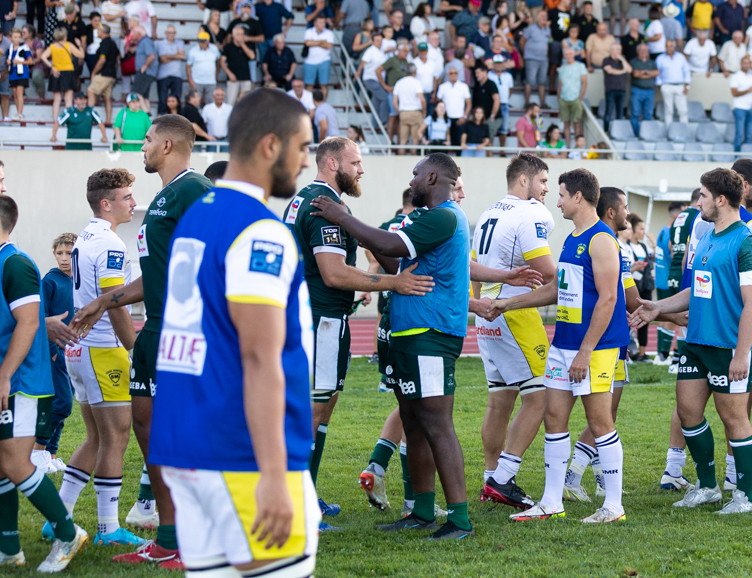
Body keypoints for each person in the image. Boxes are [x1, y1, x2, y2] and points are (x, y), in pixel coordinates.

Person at [143, 89, 321, 574]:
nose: (306, 161)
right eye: (303, 147)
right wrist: (272, 472)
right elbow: (259, 357)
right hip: (240, 450)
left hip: (186, 444)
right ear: (270, 145)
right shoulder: (260, 230)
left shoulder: (195, 215)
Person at [70, 116, 211, 566]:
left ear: (167, 145)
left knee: (178, 437)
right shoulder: (166, 196)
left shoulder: (194, 191)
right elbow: (155, 276)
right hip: (154, 331)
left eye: (147, 139)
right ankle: (168, 540)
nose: (143, 146)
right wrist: (105, 301)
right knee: (149, 431)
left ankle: (197, 537)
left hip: (183, 333)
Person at [310, 153, 475, 538]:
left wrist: (343, 218)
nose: (412, 179)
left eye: (416, 174)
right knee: (413, 424)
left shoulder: (445, 215)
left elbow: (390, 243)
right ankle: (420, 511)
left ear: (432, 176)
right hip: (408, 331)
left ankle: (460, 519)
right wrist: (354, 231)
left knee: (437, 423)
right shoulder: (424, 216)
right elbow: (394, 261)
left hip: (431, 333)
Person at [487, 168, 626, 524]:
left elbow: (609, 299)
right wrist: (508, 303)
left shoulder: (601, 240)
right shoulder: (571, 239)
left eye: (561, 194)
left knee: (599, 422)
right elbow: (555, 289)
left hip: (592, 349)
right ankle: (551, 501)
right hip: (563, 344)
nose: (557, 200)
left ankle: (613, 505)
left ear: (579, 197)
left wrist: (585, 351)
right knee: (553, 418)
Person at [628, 167, 752, 514]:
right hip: (697, 342)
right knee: (689, 412)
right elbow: (696, 289)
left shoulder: (747, 241)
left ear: (721, 199)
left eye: (703, 196)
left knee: (733, 417)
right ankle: (708, 487)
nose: (698, 202)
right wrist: (657, 307)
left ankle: (745, 497)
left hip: (728, 346)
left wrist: (741, 354)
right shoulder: (707, 236)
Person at [0, 197, 90, 570]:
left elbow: (29, 322)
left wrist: (4, 374)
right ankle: (9, 549)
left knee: (16, 463)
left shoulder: (15, 264)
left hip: (20, 383)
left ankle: (69, 535)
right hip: (10, 380)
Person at [59, 169, 146, 549]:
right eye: (127, 196)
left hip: (78, 349)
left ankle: (58, 518)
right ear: (106, 202)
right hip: (101, 349)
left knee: (96, 436)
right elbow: (114, 304)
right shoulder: (110, 243)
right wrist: (134, 349)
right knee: (115, 437)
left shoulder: (85, 235)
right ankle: (108, 529)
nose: (134, 203)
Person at [471, 155, 556, 507]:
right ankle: (504, 479)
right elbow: (546, 270)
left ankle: (491, 477)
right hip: (514, 313)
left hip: (487, 312)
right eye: (543, 182)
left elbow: (474, 265)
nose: (547, 190)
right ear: (524, 180)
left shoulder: (490, 211)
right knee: (541, 397)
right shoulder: (532, 212)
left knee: (500, 400)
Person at [35, 233, 77, 474]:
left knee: (62, 407)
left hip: (72, 355)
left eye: (69, 253)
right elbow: (41, 318)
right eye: (59, 253)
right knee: (61, 404)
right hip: (55, 355)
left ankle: (50, 456)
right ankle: (36, 454)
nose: (64, 258)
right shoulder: (49, 281)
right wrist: (52, 352)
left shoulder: (77, 282)